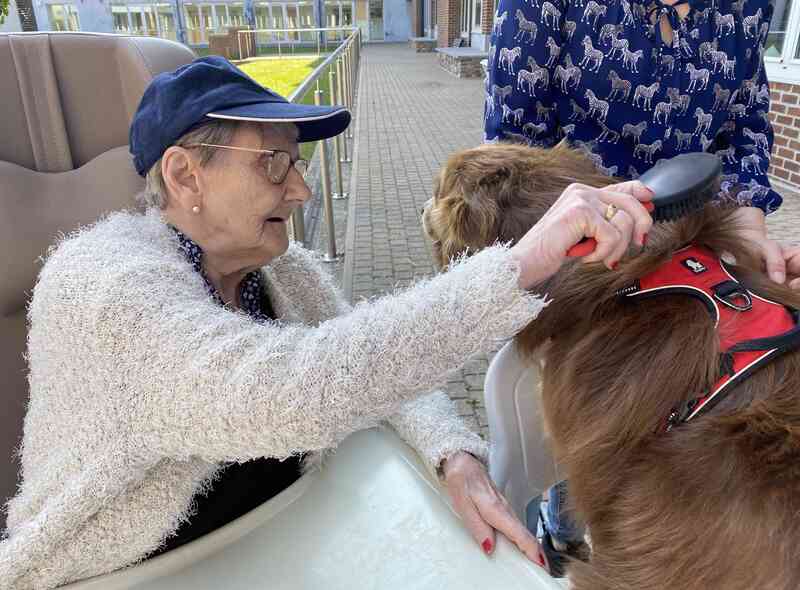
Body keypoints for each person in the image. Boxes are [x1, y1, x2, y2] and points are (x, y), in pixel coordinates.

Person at [0, 56, 655, 589]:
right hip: (129, 570)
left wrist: (453, 454)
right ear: (184, 175)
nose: (302, 192)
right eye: (272, 164)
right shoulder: (103, 286)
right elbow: (290, 392)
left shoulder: (284, 272)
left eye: (298, 165)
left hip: (284, 533)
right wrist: (520, 266)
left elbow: (376, 367)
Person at [486, 0, 800, 285]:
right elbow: (515, 147)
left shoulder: (746, 8)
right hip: (576, 242)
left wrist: (746, 234)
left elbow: (744, 130)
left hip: (693, 240)